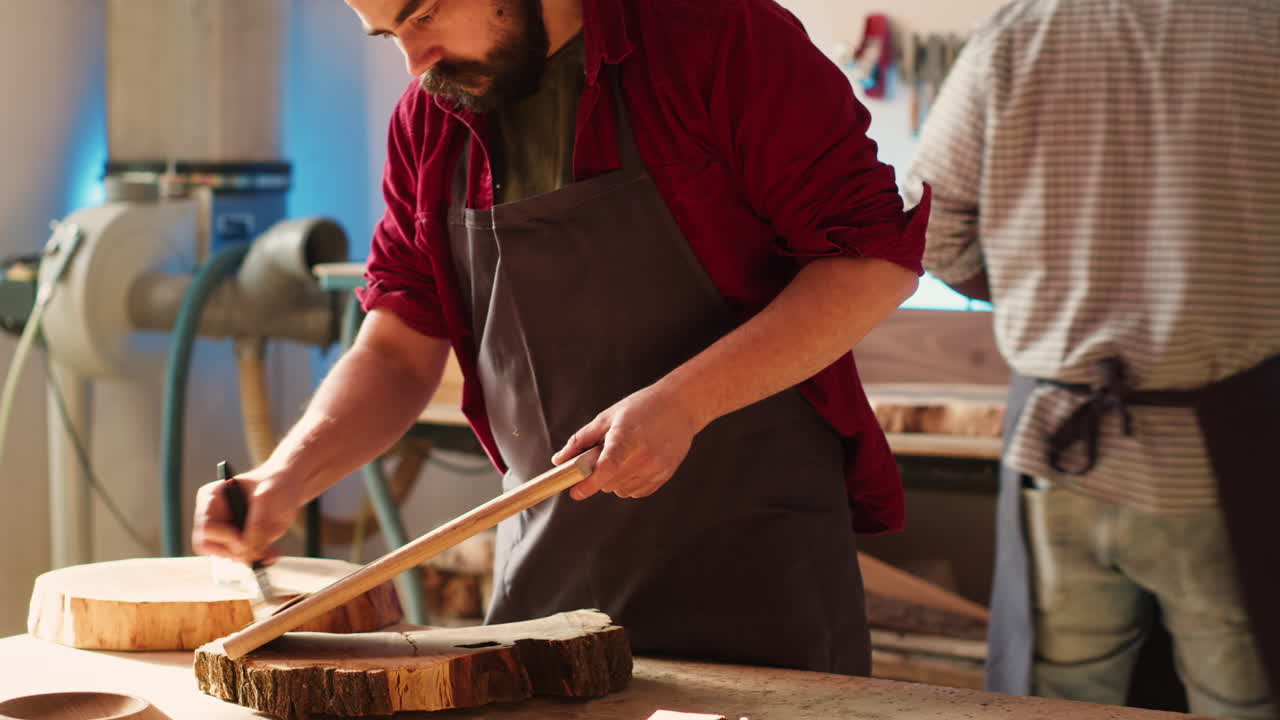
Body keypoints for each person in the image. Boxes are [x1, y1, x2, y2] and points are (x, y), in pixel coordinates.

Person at [192, 0, 931, 676]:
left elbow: (871, 264)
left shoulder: (720, 39)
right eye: (390, 35)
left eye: (424, 15)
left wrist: (684, 403)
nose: (415, 61)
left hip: (757, 577)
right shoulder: (430, 120)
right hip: (548, 584)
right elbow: (395, 348)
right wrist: (285, 478)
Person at [903, 0, 1279, 716]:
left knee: (1062, 700)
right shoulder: (1268, 30)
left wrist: (1044, 307)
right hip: (1226, 451)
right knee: (1242, 699)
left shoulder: (1020, 29)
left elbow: (927, 229)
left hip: (1060, 443)